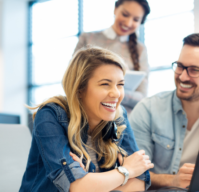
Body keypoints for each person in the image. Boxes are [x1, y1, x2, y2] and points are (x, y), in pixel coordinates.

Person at [19, 47, 153, 192]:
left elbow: (139, 183)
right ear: (79, 89)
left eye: (120, 85)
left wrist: (90, 182)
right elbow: (76, 187)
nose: (116, 93)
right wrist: (126, 171)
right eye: (105, 84)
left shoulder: (118, 116)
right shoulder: (50, 115)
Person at [129, 33, 199, 189]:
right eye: (180, 66)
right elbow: (135, 174)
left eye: (194, 70)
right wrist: (173, 180)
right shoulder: (147, 110)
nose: (182, 76)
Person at [74, 0, 150, 112]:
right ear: (115, 9)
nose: (128, 23)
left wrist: (110, 91)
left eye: (136, 19)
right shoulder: (88, 39)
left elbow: (142, 97)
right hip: (88, 115)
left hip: (123, 121)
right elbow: (72, 80)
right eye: (125, 14)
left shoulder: (140, 50)